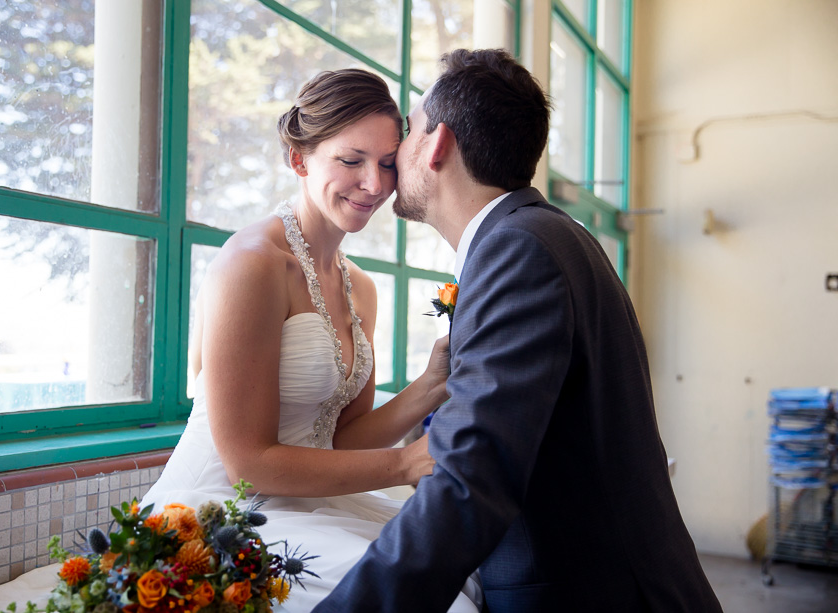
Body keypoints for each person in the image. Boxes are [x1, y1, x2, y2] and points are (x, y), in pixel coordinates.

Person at [314, 49, 723, 612]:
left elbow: (470, 480)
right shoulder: (545, 235)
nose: (391, 160)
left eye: (408, 132)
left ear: (437, 145)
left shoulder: (518, 250)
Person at [140, 68, 482, 612]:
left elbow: (341, 441)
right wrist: (408, 463)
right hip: (222, 514)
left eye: (389, 163)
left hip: (305, 500)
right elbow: (247, 466)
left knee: (455, 569)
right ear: (299, 160)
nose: (375, 184)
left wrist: (434, 382)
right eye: (351, 160)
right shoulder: (252, 265)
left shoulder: (362, 289)